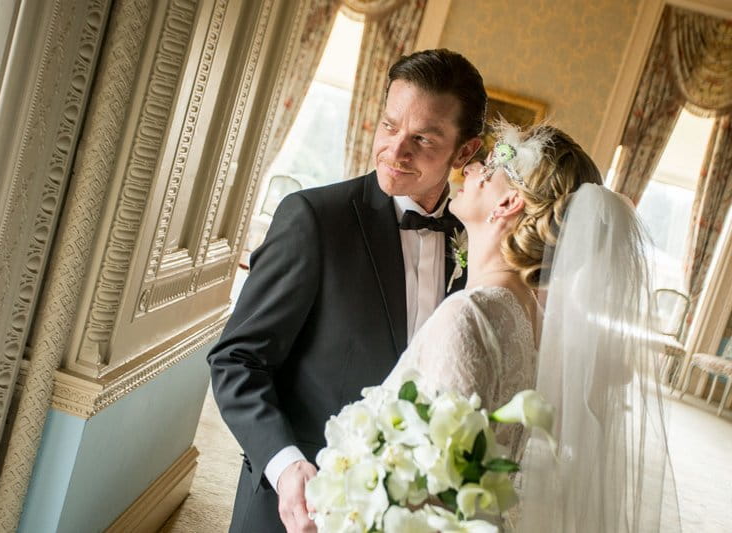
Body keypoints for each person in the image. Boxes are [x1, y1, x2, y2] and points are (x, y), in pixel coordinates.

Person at [207, 49, 486, 533]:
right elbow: (236, 360)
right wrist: (287, 465)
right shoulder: (313, 219)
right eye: (389, 125)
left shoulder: (472, 243)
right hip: (295, 504)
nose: (396, 151)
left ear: (464, 152)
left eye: (422, 139)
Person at [380, 120, 680, 531]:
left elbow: (432, 486)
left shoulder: (469, 314)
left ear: (507, 205)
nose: (469, 169)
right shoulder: (534, 319)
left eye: (488, 166)